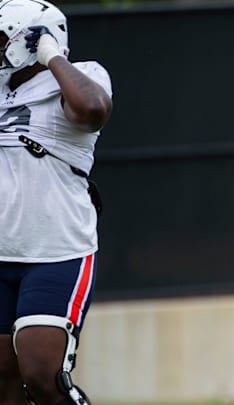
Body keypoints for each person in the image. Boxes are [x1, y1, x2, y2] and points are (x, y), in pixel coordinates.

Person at [0, 0, 113, 404]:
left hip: (56, 251)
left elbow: (92, 111)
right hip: (2, 251)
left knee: (43, 376)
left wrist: (51, 55)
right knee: (5, 384)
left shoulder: (84, 76)